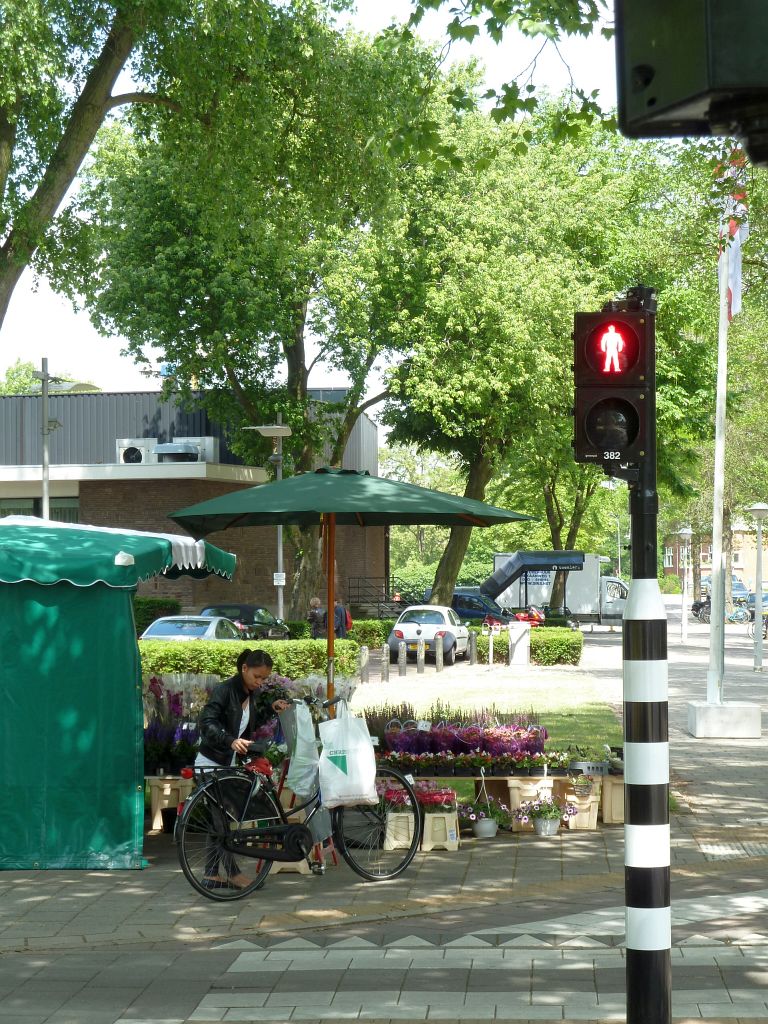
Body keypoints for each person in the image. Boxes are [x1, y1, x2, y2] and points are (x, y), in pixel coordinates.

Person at [195, 649, 291, 890]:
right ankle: (234, 874)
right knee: (222, 822)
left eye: (263, 679)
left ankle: (211, 875)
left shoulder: (252, 693)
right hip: (211, 763)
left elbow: (249, 722)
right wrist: (229, 740)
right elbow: (206, 722)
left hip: (226, 763)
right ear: (244, 669)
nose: (259, 682)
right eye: (257, 676)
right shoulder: (225, 690)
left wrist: (271, 708)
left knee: (219, 819)